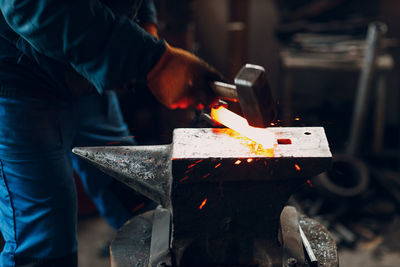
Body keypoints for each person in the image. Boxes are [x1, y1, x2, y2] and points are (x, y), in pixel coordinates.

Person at [0, 0, 221, 266]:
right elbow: (30, 6)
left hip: (82, 75)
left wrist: (144, 28)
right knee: (45, 237)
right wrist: (155, 62)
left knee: (131, 187)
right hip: (18, 75)